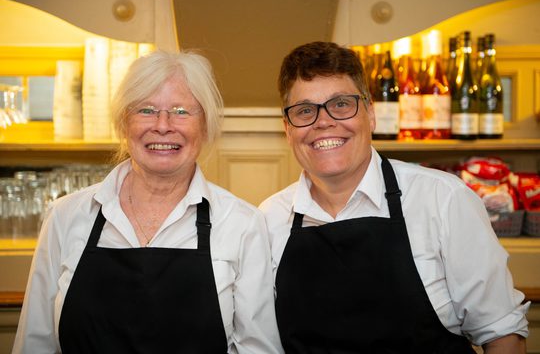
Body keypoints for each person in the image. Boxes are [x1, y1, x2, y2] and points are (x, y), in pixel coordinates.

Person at [259, 41, 529, 353]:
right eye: (305, 110)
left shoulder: (443, 199)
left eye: (341, 104)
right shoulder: (269, 219)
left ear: (371, 115)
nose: (323, 121)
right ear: (287, 129)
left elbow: (502, 335)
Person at [13, 50, 283, 354]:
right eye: (146, 110)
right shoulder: (65, 216)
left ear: (204, 126)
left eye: (181, 111)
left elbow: (258, 350)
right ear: (123, 124)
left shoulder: (242, 224)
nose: (163, 125)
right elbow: (35, 344)